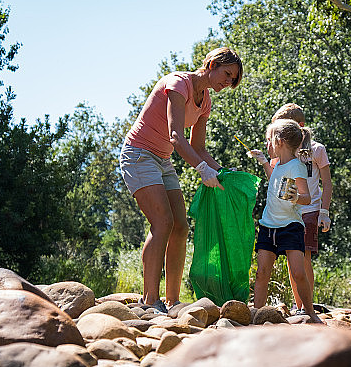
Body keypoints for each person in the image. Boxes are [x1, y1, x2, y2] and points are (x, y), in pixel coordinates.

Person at [119, 47, 243, 314]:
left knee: (180, 227)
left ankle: (172, 301)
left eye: (233, 79)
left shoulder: (206, 100)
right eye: (227, 73)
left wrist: (222, 172)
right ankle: (150, 300)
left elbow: (199, 148)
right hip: (139, 155)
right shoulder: (178, 83)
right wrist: (202, 170)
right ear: (210, 64)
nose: (228, 81)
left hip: (162, 160)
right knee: (162, 222)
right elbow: (176, 136)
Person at [249, 103, 332, 314]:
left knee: (303, 263)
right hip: (278, 218)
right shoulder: (280, 160)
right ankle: (297, 306)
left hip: (307, 211)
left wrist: (324, 211)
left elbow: (324, 184)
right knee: (287, 265)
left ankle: (306, 308)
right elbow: (276, 181)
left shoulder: (313, 152)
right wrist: (264, 162)